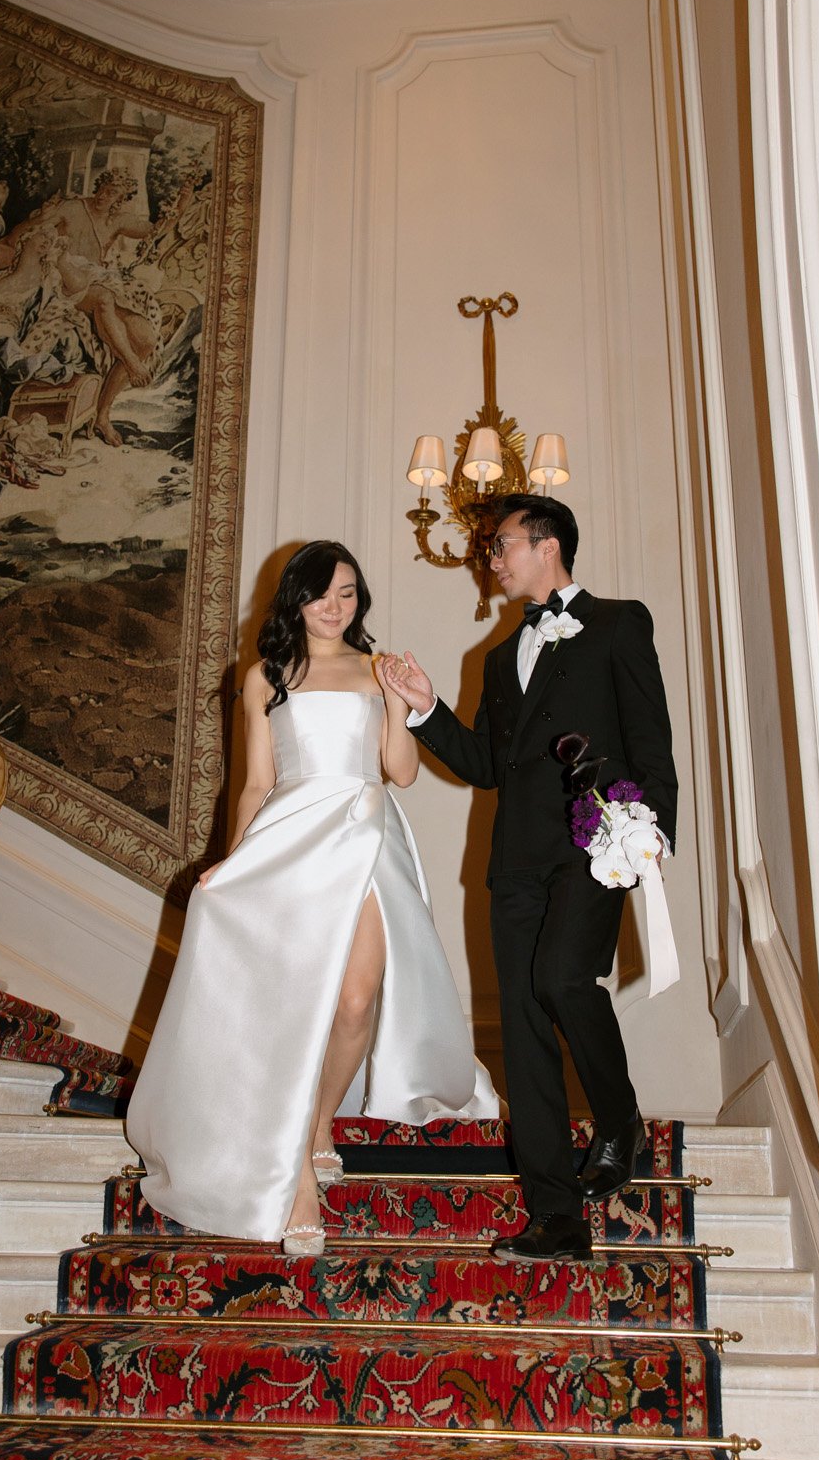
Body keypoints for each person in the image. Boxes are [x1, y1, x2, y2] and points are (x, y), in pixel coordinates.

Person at [127, 540, 497, 1257]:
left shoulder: (376, 668)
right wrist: (232, 861)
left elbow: (400, 773)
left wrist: (399, 705)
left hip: (368, 836)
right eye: (322, 593)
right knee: (293, 1010)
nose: (335, 607)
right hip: (289, 844)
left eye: (348, 594)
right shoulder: (264, 675)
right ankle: (296, 1171)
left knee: (357, 1000)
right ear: (295, 599)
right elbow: (255, 784)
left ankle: (319, 1119)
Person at [381, 495, 677, 1266]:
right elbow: (485, 765)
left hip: (595, 843)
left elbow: (650, 737)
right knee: (520, 1026)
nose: (491, 559)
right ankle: (555, 1218)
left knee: (561, 979)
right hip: (514, 860)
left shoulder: (618, 623)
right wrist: (425, 711)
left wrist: (650, 834)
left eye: (501, 544)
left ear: (546, 545)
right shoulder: (494, 657)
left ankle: (618, 1116)